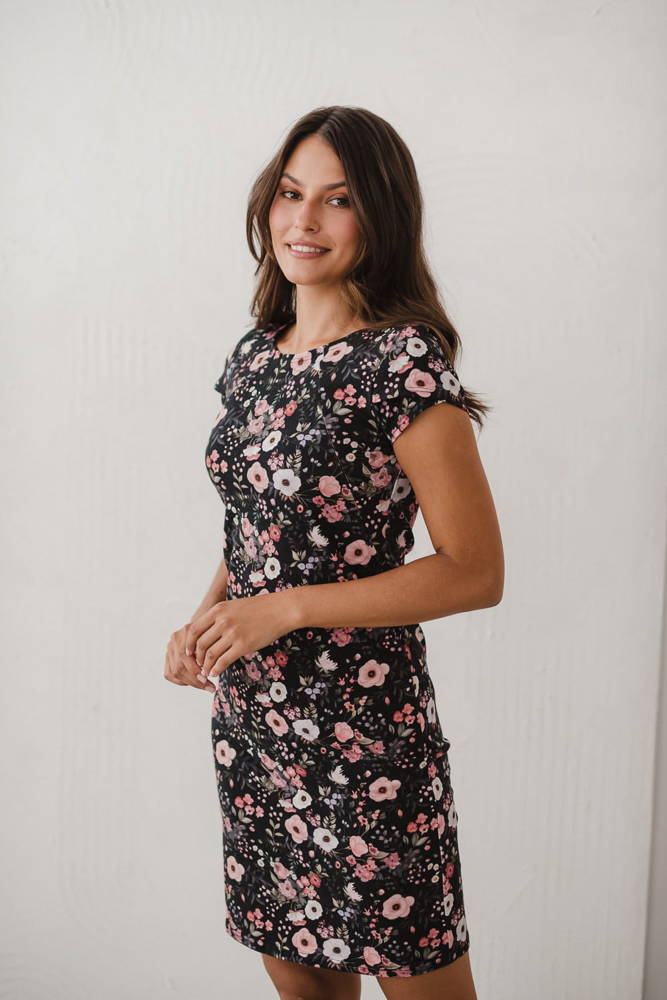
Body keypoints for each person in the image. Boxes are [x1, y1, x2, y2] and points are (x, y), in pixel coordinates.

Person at [165, 106, 504, 1000]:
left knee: (418, 972)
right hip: (256, 725)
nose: (303, 220)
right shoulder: (254, 358)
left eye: (338, 199)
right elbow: (257, 524)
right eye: (289, 193)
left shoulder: (401, 364)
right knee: (302, 984)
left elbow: (475, 571)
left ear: (380, 215)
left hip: (365, 736)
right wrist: (208, 618)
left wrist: (284, 610)